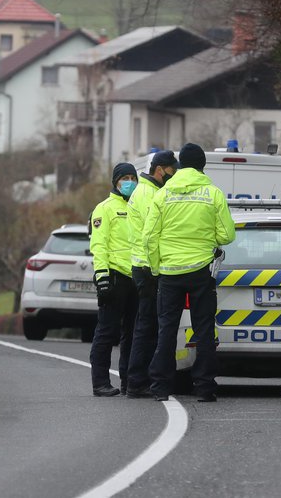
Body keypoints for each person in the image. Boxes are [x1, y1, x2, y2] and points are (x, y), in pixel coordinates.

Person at [144, 143, 235, 403]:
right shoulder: (213, 193)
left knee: (167, 330)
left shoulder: (163, 194)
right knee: (204, 330)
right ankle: (205, 387)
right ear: (203, 165)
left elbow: (150, 236)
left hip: (169, 273)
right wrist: (209, 239)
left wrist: (155, 268)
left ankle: (161, 386)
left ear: (181, 165)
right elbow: (227, 235)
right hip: (200, 272)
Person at [125, 150, 178, 398]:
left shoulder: (150, 191)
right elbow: (151, 235)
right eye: (171, 171)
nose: (174, 175)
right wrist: (157, 268)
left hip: (145, 266)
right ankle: (137, 381)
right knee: (146, 326)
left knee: (148, 325)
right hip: (147, 268)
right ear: (160, 170)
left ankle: (138, 379)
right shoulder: (148, 194)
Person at [88, 162, 139, 397]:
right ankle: (100, 382)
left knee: (132, 332)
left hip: (136, 277)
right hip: (115, 277)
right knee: (106, 332)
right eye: (124, 178)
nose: (129, 182)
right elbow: (99, 246)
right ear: (115, 182)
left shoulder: (139, 207)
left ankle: (130, 381)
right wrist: (102, 278)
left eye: (132, 177)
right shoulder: (104, 209)